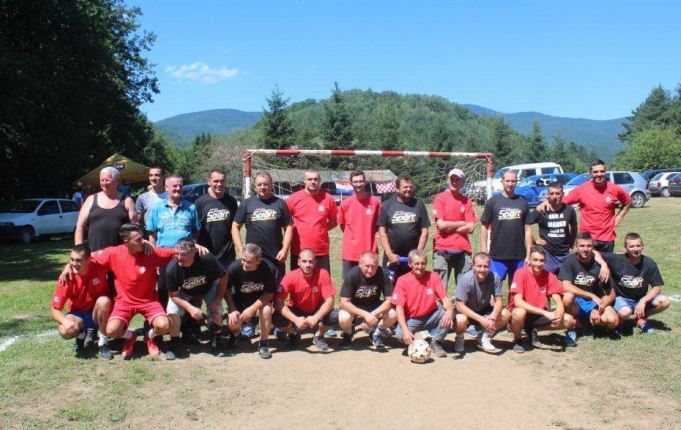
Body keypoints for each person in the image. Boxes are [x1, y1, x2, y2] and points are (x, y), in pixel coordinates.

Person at [90, 224, 175, 359]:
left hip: (149, 301)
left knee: (164, 326)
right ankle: (130, 336)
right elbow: (89, 257)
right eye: (138, 240)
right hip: (124, 302)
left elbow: (177, 252)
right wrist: (68, 267)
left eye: (142, 238)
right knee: (111, 330)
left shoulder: (150, 252)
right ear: (126, 242)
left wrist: (197, 247)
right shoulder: (114, 253)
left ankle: (149, 337)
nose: (142, 242)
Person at [539, 159, 631, 253]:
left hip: (607, 238)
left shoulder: (614, 189)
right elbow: (561, 200)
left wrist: (618, 219)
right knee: (587, 267)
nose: (599, 174)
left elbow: (628, 201)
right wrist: (547, 201)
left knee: (605, 267)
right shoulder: (582, 190)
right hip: (587, 239)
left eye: (602, 171)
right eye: (595, 172)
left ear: (605, 172)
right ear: (590, 173)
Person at [165, 238, 227, 360]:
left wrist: (218, 299)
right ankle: (174, 343)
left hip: (208, 288)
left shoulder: (207, 259)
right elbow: (173, 295)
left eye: (183, 254)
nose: (178, 257)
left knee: (217, 309)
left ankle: (217, 340)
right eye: (176, 254)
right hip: (184, 292)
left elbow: (224, 276)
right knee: (172, 311)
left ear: (194, 252)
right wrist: (190, 308)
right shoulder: (172, 268)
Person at [147, 174, 203, 308]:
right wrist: (153, 260)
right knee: (163, 289)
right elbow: (152, 235)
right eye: (174, 186)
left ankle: (188, 323)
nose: (178, 188)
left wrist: (192, 246)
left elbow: (196, 230)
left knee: (189, 288)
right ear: (166, 187)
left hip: (186, 256)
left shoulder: (191, 207)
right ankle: (163, 322)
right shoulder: (156, 208)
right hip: (163, 256)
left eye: (180, 185)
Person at [51, 244, 113, 359]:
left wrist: (144, 243)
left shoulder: (100, 266)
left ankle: (103, 343)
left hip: (97, 313)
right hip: (78, 315)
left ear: (89, 260)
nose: (74, 263)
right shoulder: (67, 277)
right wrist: (65, 321)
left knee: (104, 301)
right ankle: (81, 335)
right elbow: (55, 309)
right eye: (72, 260)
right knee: (64, 330)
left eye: (78, 260)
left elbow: (119, 253)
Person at [508, 246, 574, 353]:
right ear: (529, 260)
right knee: (519, 312)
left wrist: (559, 316)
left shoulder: (550, 276)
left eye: (542, 261)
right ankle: (517, 339)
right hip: (521, 313)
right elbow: (518, 302)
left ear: (545, 261)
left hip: (537, 315)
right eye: (535, 260)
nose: (538, 264)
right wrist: (545, 312)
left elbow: (558, 301)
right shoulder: (520, 273)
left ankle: (532, 330)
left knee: (568, 320)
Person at [601, 232, 671, 334]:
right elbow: (594, 253)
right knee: (625, 312)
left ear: (642, 246)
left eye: (638, 245)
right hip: (620, 299)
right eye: (632, 246)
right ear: (625, 247)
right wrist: (603, 264)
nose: (635, 249)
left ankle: (640, 318)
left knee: (665, 301)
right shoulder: (616, 259)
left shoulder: (649, 263)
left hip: (639, 300)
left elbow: (657, 287)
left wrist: (643, 301)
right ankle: (619, 321)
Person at [232, 170, 293, 284]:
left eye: (266, 184)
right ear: (255, 186)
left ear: (271, 185)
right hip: (252, 258)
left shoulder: (280, 203)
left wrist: (285, 250)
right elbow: (235, 226)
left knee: (276, 291)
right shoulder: (247, 203)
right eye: (259, 184)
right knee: (254, 289)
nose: (263, 187)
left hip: (275, 256)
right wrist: (241, 249)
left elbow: (289, 227)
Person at [390, 249, 453, 358]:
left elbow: (444, 298)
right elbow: (399, 308)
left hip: (431, 315)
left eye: (423, 263)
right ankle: (414, 342)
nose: (420, 267)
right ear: (410, 264)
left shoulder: (434, 277)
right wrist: (405, 331)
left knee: (446, 315)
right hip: (411, 318)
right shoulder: (402, 280)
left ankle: (435, 341)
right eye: (417, 264)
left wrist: (450, 311)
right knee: (400, 335)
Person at [273, 249, 338, 352]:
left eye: (311, 261)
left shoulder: (323, 274)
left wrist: (316, 317)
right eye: (304, 261)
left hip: (316, 309)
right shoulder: (290, 276)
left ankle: (318, 336)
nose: (307, 265)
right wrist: (295, 319)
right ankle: (293, 334)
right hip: (297, 310)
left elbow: (330, 301)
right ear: (298, 262)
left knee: (334, 316)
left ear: (315, 262)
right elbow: (278, 302)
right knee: (277, 317)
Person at [559, 232, 619, 338]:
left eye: (589, 246)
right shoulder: (569, 261)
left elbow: (612, 293)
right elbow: (566, 286)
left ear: (593, 247)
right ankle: (573, 327)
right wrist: (591, 295)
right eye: (582, 246)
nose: (585, 249)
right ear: (576, 246)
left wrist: (598, 308)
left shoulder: (600, 265)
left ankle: (589, 323)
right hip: (577, 302)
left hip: (595, 303)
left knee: (613, 321)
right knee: (567, 297)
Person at [224, 243, 277, 359]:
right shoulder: (234, 268)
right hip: (240, 302)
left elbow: (269, 293)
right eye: (243, 260)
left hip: (260, 301)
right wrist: (232, 308)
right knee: (232, 320)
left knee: (267, 310)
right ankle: (235, 335)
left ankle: (263, 343)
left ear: (258, 261)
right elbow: (226, 290)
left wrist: (252, 309)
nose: (244, 264)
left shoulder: (268, 268)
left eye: (249, 262)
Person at [480, 170, 532, 288]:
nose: (510, 183)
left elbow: (528, 229)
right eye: (507, 181)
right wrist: (483, 250)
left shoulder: (522, 201)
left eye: (513, 181)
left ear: (516, 182)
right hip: (497, 254)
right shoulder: (493, 201)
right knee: (494, 287)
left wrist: (529, 253)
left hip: (518, 255)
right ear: (502, 181)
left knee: (516, 288)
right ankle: (495, 307)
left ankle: (512, 307)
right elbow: (484, 226)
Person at [454, 252, 510, 353]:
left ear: (489, 267)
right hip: (467, 312)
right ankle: (459, 338)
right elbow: (459, 306)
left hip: (484, 309)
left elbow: (499, 301)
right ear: (473, 266)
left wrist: (493, 316)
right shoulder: (465, 279)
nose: (482, 269)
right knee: (460, 320)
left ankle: (484, 337)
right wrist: (481, 319)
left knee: (505, 313)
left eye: (485, 266)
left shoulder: (494, 278)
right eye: (479, 266)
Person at [377, 176, 430, 282]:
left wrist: (417, 254)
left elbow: (425, 231)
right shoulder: (387, 205)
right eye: (405, 187)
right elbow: (382, 232)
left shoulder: (418, 204)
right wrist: (389, 254)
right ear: (397, 189)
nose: (408, 189)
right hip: (392, 257)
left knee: (413, 288)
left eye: (410, 187)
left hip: (412, 258)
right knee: (391, 292)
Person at [338, 252, 396, 350]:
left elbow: (390, 300)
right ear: (360, 264)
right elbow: (343, 302)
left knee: (393, 313)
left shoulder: (382, 272)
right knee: (344, 318)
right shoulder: (352, 274)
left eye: (373, 266)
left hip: (374, 306)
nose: (370, 270)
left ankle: (376, 333)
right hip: (355, 306)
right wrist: (365, 315)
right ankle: (348, 332)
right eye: (367, 266)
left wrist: (372, 314)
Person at [432, 168, 477, 293]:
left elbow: (471, 228)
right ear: (448, 180)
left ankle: (460, 310)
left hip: (463, 248)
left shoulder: (466, 201)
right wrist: (461, 223)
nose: (454, 182)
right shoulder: (440, 198)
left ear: (463, 182)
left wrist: (449, 227)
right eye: (452, 179)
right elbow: (441, 226)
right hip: (442, 248)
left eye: (458, 179)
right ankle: (441, 311)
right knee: (440, 288)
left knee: (465, 288)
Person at [286, 170, 337, 273]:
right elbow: (286, 222)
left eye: (316, 179)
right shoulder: (293, 199)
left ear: (320, 180)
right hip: (299, 250)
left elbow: (333, 222)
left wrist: (319, 229)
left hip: (320, 250)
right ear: (304, 181)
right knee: (299, 285)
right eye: (309, 179)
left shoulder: (328, 199)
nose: (313, 182)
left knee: (321, 284)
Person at [75, 166, 136, 252]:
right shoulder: (91, 199)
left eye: (107, 180)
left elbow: (135, 227)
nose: (104, 183)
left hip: (121, 254)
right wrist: (79, 250)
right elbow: (80, 226)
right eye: (102, 180)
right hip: (95, 254)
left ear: (117, 182)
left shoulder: (127, 201)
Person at [338, 170, 382, 278]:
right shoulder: (345, 204)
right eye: (355, 182)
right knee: (350, 287)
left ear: (365, 182)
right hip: (350, 252)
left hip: (369, 250)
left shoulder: (374, 202)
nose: (358, 184)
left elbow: (377, 225)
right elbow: (342, 225)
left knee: (370, 287)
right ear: (351, 183)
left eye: (361, 181)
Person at [526, 181, 578, 274]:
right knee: (546, 282)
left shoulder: (569, 210)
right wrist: (535, 240)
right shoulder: (541, 210)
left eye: (557, 193)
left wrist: (572, 242)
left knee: (566, 282)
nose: (554, 196)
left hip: (565, 253)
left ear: (563, 194)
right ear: (548, 195)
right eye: (552, 193)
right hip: (548, 254)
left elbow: (574, 226)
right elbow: (526, 225)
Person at [195, 169, 239, 269]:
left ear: (226, 182)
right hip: (206, 253)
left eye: (222, 181)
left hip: (227, 254)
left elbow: (235, 226)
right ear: (209, 182)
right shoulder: (200, 203)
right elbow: (195, 228)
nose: (219, 184)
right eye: (215, 181)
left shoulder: (231, 201)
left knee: (227, 283)